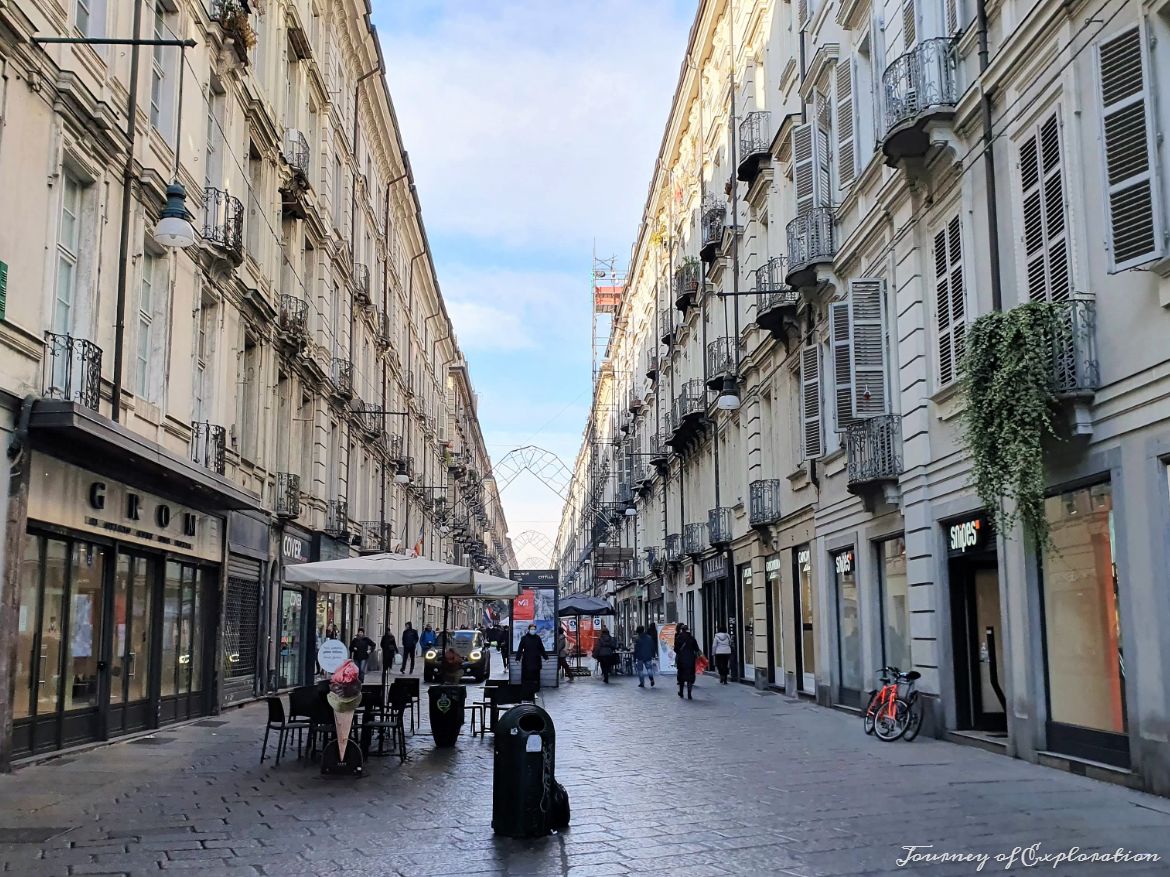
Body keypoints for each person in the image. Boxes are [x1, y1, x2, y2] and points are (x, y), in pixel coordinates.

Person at [674, 623, 701, 700]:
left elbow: (676, 650)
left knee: (681, 677)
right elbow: (696, 649)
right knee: (690, 677)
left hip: (681, 660)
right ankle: (689, 694)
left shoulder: (678, 638)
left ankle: (681, 692)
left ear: (681, 630)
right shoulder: (692, 638)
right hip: (690, 660)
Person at [516, 624, 547, 688]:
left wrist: (545, 657)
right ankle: (526, 689)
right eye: (531, 629)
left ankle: (536, 689)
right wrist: (517, 658)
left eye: (534, 629)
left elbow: (541, 648)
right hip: (527, 660)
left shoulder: (538, 638)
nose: (533, 630)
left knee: (536, 676)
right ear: (529, 630)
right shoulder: (524, 638)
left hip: (536, 660)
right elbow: (520, 649)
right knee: (527, 676)